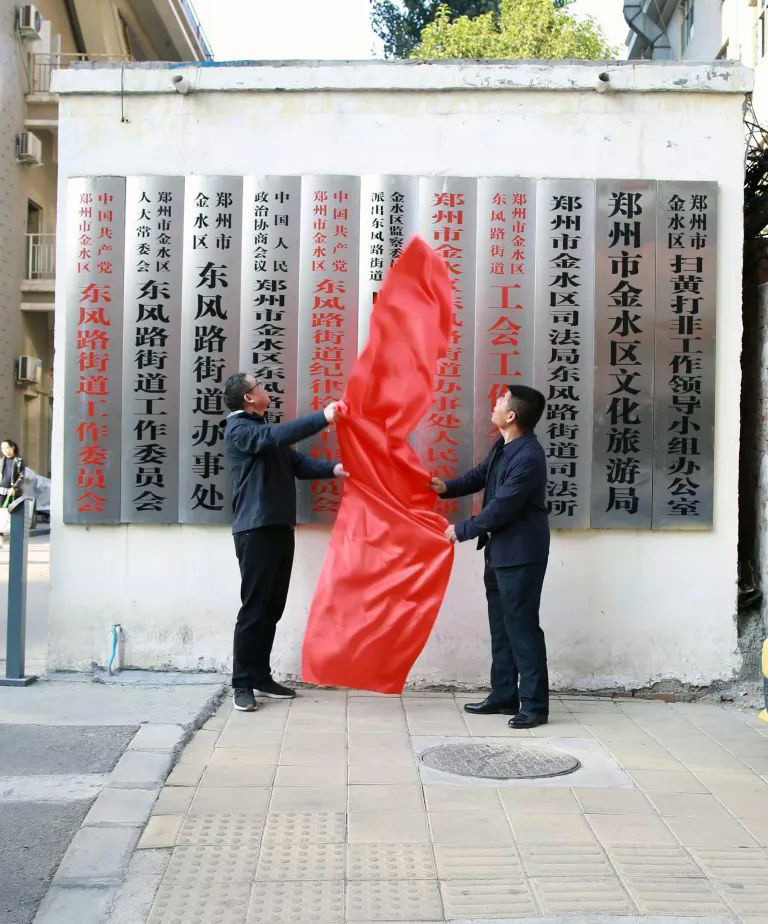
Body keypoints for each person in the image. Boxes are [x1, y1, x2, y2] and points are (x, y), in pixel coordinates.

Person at [223, 373, 349, 713]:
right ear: (249, 398)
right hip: (255, 528)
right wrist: (324, 417)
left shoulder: (265, 432)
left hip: (279, 527)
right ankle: (242, 683)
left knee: (272, 608)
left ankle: (261, 676)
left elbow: (299, 464)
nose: (265, 389)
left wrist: (338, 469)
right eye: (259, 385)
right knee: (254, 608)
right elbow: (274, 437)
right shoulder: (240, 429)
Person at [429, 385, 550, 729]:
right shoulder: (505, 445)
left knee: (522, 627)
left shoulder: (528, 456)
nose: (494, 404)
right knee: (501, 627)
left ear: (511, 416)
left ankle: (535, 704)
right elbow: (481, 476)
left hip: (522, 554)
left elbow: (503, 507)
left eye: (500, 401)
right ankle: (503, 695)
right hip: (499, 552)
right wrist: (447, 487)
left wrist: (462, 529)